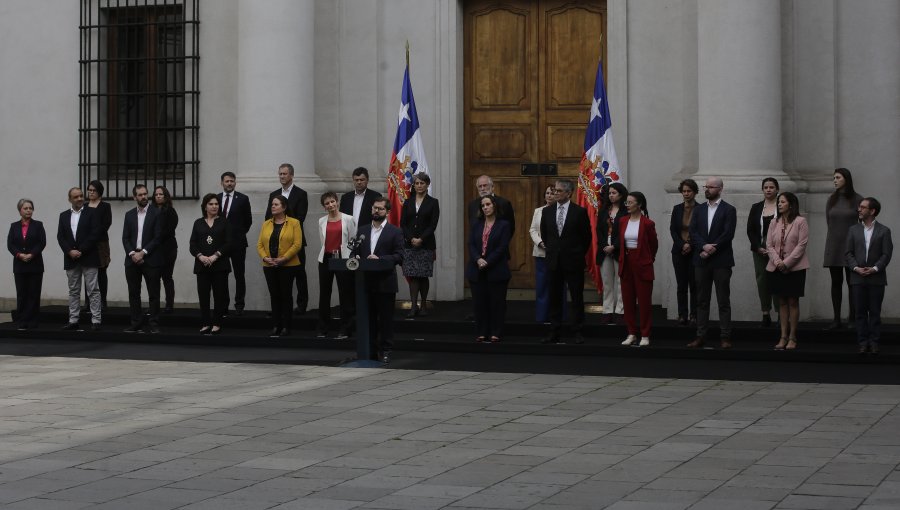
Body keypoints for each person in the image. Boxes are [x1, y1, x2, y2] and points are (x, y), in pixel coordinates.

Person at [539, 179, 592, 345]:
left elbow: (586, 237)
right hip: (554, 261)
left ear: (569, 193)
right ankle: (554, 331)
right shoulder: (547, 212)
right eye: (554, 190)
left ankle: (577, 330)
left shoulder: (579, 212)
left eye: (559, 191)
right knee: (555, 297)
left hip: (573, 260)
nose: (555, 193)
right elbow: (545, 234)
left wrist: (576, 253)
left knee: (576, 296)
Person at [687, 176, 737, 349]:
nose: (706, 189)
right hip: (701, 260)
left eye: (711, 187)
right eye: (705, 186)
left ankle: (725, 337)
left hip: (721, 261)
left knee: (723, 300)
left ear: (720, 189)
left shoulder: (729, 210)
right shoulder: (699, 209)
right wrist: (704, 246)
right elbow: (693, 231)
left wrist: (713, 248)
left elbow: (728, 233)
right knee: (701, 300)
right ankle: (701, 336)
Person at [356, 197, 404, 364]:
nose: (376, 211)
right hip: (366, 282)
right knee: (368, 319)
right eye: (375, 208)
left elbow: (399, 255)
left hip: (385, 282)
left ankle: (386, 351)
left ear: (387, 212)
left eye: (380, 209)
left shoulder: (395, 231)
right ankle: (370, 349)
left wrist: (380, 258)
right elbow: (356, 252)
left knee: (385, 320)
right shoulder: (362, 230)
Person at [846, 197, 893, 355]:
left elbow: (886, 254)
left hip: (876, 278)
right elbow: (848, 253)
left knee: (874, 312)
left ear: (872, 211)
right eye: (859, 207)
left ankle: (874, 342)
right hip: (858, 277)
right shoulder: (853, 230)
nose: (859, 209)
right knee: (859, 312)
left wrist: (874, 269)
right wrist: (856, 268)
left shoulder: (884, 231)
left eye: (863, 207)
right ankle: (862, 342)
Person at [765, 192, 809, 350]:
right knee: (781, 302)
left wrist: (787, 263)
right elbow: (769, 245)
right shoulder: (773, 222)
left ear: (791, 204)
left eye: (782, 202)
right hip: (776, 267)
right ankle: (783, 336)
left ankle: (793, 337)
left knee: (793, 301)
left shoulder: (800, 221)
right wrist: (778, 262)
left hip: (795, 268)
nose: (779, 204)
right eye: (778, 202)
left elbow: (801, 245)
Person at [266, 163, 309, 316]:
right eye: (280, 174)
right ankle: (279, 308)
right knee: (277, 276)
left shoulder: (301, 194)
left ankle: (302, 305)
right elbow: (268, 217)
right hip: (275, 242)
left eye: (284, 174)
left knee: (299, 273)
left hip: (295, 240)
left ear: (291, 175)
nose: (282, 177)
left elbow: (300, 217)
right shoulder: (274, 194)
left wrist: (286, 229)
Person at [467, 195, 512, 343]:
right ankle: (481, 332)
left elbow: (502, 247)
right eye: (483, 206)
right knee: (480, 303)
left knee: (497, 303)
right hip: (477, 269)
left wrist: (488, 261)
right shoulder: (477, 224)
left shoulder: (504, 225)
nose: (485, 207)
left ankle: (496, 332)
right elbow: (471, 245)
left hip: (496, 270)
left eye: (488, 204)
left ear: (494, 205)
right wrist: (478, 259)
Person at [824, 167, 864, 330]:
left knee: (852, 282)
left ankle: (852, 318)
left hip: (851, 246)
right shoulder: (831, 199)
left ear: (846, 179)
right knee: (836, 282)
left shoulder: (857, 199)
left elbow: (862, 224)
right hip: (834, 245)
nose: (834, 180)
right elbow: (829, 221)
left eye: (838, 177)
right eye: (833, 177)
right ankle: (836, 319)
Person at [57, 187, 102, 332]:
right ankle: (73, 320)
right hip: (71, 259)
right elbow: (61, 236)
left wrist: (80, 250)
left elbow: (95, 234)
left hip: (88, 257)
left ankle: (96, 320)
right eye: (76, 197)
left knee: (93, 290)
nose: (80, 199)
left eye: (81, 196)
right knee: (73, 291)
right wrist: (70, 251)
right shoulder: (63, 215)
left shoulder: (92, 213)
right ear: (70, 199)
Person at [258, 195, 302, 338]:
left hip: (288, 265)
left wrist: (284, 258)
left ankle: (286, 327)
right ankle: (276, 325)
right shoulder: (266, 224)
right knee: (274, 295)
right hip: (269, 265)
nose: (273, 206)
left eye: (276, 204)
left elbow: (297, 244)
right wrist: (265, 257)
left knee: (286, 296)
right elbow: (259, 244)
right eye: (272, 204)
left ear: (284, 207)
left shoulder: (294, 223)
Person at [122, 184, 163, 333]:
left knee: (154, 293)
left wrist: (143, 252)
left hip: (150, 258)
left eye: (145, 194)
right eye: (140, 195)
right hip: (132, 259)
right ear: (135, 197)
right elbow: (125, 238)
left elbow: (158, 237)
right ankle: (136, 323)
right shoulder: (129, 214)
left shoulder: (156, 213)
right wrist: (132, 254)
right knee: (134, 293)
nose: (144, 197)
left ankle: (153, 324)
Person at [618, 192, 658, 347]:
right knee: (628, 301)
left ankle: (645, 334)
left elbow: (654, 245)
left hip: (642, 264)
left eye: (630, 202)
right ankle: (631, 333)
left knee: (644, 301)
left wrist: (648, 260)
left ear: (639, 204)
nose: (627, 205)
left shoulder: (648, 223)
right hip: (626, 263)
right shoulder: (622, 221)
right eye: (626, 202)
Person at [189, 193, 232, 335]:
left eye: (216, 204)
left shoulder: (224, 222)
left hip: (219, 265)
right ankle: (206, 323)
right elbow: (192, 244)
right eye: (211, 204)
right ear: (205, 206)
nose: (214, 206)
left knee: (219, 295)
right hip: (202, 266)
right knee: (203, 295)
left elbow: (228, 243)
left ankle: (217, 323)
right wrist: (201, 256)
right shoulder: (198, 222)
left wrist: (215, 256)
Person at [316, 191, 356, 338]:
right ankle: (323, 327)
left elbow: (352, 240)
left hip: (343, 259)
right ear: (324, 207)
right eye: (327, 203)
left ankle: (345, 328)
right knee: (324, 294)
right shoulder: (321, 221)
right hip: (326, 259)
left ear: (337, 202)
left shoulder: (349, 219)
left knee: (345, 294)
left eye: (332, 201)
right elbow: (323, 241)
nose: (331, 205)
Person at [400, 172, 440, 317]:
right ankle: (413, 306)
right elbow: (403, 224)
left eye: (422, 183)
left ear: (427, 184)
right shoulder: (408, 202)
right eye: (416, 183)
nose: (419, 186)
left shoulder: (433, 202)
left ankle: (423, 305)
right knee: (413, 275)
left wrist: (421, 239)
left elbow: (432, 225)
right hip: (410, 245)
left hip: (426, 244)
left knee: (423, 276)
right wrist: (411, 238)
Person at [7, 199, 46, 330]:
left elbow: (42, 242)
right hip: (19, 265)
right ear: (20, 210)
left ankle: (33, 320)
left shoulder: (38, 225)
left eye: (30, 208)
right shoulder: (14, 226)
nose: (29, 210)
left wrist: (31, 254)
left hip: (35, 264)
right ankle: (22, 320)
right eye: (26, 208)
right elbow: (10, 244)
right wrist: (19, 255)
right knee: (22, 294)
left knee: (34, 293)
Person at [218, 171, 252, 315]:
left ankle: (239, 304)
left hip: (238, 243)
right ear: (222, 183)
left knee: (239, 274)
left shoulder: (243, 199)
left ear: (235, 182)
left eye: (232, 181)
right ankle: (223, 305)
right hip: (220, 244)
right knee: (222, 275)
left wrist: (237, 234)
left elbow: (248, 221)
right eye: (227, 181)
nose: (229, 183)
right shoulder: (216, 199)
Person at [747, 177, 779, 328]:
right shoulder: (756, 207)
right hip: (760, 250)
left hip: (779, 251)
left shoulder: (782, 205)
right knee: (762, 280)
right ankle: (765, 313)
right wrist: (757, 247)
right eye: (765, 187)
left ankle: (781, 313)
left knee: (778, 280)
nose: (768, 190)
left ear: (777, 189)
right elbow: (750, 230)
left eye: (771, 187)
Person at [597, 182, 628, 324]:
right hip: (604, 250)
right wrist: (604, 245)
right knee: (607, 282)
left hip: (619, 249)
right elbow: (599, 230)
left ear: (621, 195)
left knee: (620, 281)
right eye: (609, 193)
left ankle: (620, 310)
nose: (611, 195)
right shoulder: (604, 210)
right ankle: (607, 310)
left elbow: (625, 232)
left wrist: (614, 246)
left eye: (614, 193)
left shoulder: (626, 211)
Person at [530, 185, 562, 323]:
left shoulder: (562, 211)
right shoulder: (538, 211)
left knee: (558, 286)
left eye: (553, 193)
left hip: (557, 254)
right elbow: (532, 230)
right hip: (541, 253)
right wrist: (540, 242)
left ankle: (559, 316)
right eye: (547, 193)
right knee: (542, 286)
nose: (549, 195)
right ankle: (542, 317)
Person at [669, 178, 698, 326]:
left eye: (689, 191)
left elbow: (701, 230)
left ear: (695, 192)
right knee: (681, 285)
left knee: (694, 284)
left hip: (694, 252)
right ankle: (682, 314)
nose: (686, 193)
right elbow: (673, 230)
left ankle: (694, 314)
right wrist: (682, 245)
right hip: (678, 252)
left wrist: (690, 245)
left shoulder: (701, 209)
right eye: (684, 191)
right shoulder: (677, 208)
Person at [86, 180, 112, 311]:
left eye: (93, 190)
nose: (91, 192)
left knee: (101, 272)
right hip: (86, 244)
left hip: (100, 243)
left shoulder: (105, 206)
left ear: (99, 192)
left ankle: (102, 301)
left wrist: (93, 236)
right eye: (89, 190)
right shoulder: (84, 206)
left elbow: (106, 224)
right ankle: (88, 302)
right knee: (88, 272)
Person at [154, 186, 178, 313]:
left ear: (166, 196)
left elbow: (169, 230)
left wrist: (156, 238)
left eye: (161, 194)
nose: (158, 196)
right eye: (156, 194)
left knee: (167, 277)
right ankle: (155, 305)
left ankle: (169, 304)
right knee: (154, 278)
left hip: (168, 249)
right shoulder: (150, 211)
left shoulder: (171, 211)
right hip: (153, 250)